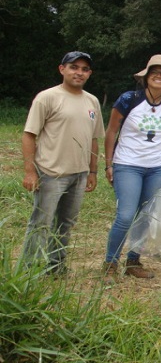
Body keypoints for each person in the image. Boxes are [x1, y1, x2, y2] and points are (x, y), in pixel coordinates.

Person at [102, 54, 161, 283]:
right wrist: (108, 164)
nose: (159, 76)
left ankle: (133, 261)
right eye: (155, 72)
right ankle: (110, 262)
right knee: (126, 215)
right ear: (146, 76)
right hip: (128, 164)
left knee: (146, 216)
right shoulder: (129, 99)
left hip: (157, 167)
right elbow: (111, 132)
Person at [21, 51, 105, 275]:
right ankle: (28, 270)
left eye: (84, 69)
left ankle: (56, 267)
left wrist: (93, 171)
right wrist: (30, 171)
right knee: (40, 223)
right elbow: (29, 135)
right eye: (74, 67)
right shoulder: (47, 97)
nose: (79, 72)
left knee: (65, 224)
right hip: (51, 173)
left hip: (79, 174)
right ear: (62, 69)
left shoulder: (92, 101)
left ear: (89, 74)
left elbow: (94, 139)